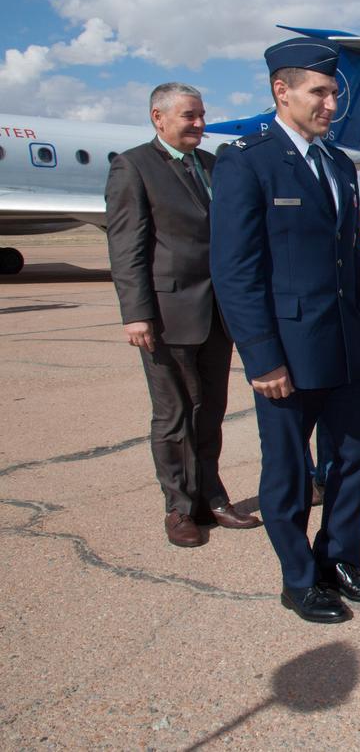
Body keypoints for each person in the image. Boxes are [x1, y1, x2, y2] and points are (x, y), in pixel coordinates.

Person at [210, 37, 360, 625]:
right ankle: (298, 579)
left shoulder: (338, 163)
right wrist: (261, 358)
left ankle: (339, 559)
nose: (331, 103)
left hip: (346, 342)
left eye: (334, 91)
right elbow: (236, 272)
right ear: (280, 91)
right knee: (288, 471)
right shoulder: (247, 160)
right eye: (319, 91)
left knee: (358, 454)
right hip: (287, 351)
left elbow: (353, 257)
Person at [105, 82, 261, 548]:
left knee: (211, 410)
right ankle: (178, 507)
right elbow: (126, 247)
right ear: (159, 117)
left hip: (217, 310)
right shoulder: (133, 166)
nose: (200, 124)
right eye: (190, 116)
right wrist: (136, 314)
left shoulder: (213, 166)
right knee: (174, 414)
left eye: (202, 115)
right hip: (167, 312)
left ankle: (211, 498)